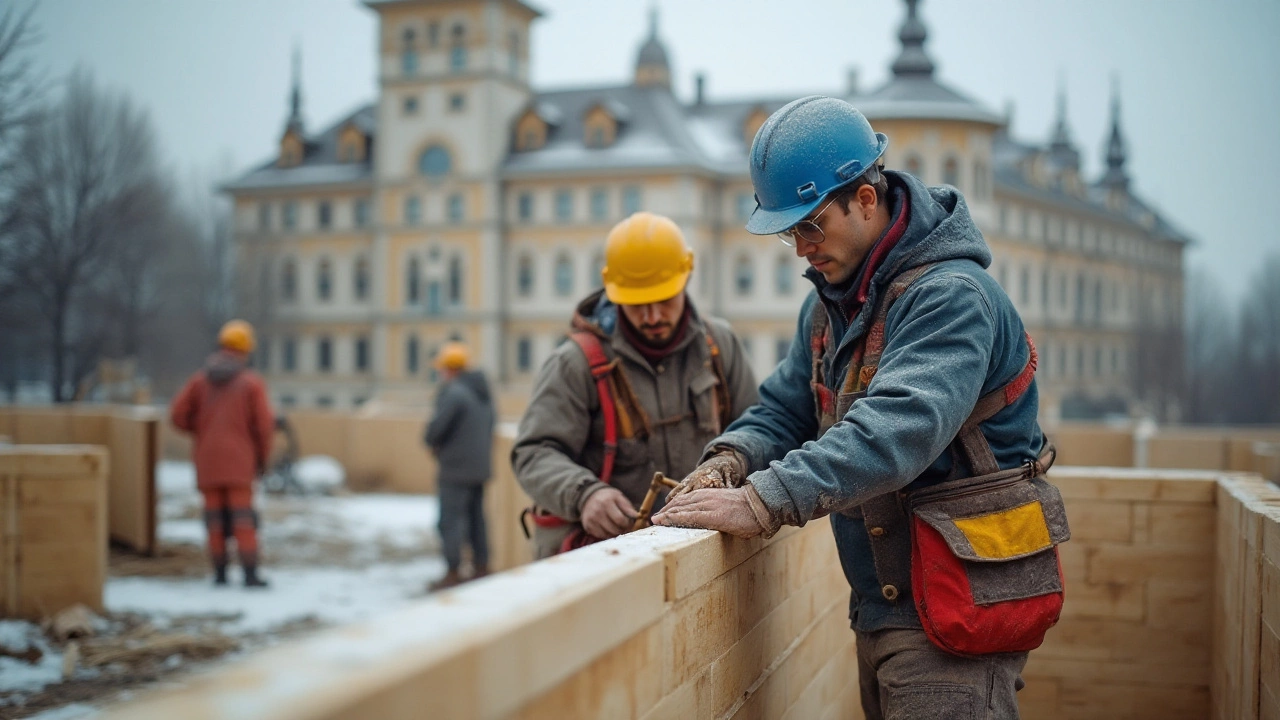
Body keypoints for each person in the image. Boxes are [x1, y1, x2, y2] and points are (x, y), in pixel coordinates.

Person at [654, 96, 1067, 720]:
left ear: (866, 200)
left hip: (957, 607)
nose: (800, 248)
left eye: (811, 225)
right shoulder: (830, 307)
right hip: (886, 603)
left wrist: (763, 498)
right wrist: (731, 459)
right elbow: (785, 411)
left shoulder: (951, 298)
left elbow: (894, 432)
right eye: (792, 231)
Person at [513, 211, 760, 558]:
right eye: (638, 305)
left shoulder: (720, 345)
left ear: (686, 276)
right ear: (615, 294)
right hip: (604, 559)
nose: (654, 317)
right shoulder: (575, 363)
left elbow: (758, 429)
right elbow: (533, 453)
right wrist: (585, 495)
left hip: (702, 555)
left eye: (665, 299)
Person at [170, 319, 275, 588]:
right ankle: (250, 575)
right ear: (246, 349)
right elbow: (264, 427)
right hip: (240, 463)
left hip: (208, 463)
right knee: (243, 520)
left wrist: (203, 430)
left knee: (215, 521)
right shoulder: (251, 384)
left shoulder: (200, 381)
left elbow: (177, 416)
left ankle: (220, 574)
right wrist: (262, 459)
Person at [424, 342, 496, 591]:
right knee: (477, 520)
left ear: (451, 369)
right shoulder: (482, 393)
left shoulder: (454, 393)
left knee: (451, 521)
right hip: (479, 468)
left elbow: (435, 430)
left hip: (455, 469)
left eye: (442, 369)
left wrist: (432, 442)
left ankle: (453, 572)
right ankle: (482, 568)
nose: (441, 374)